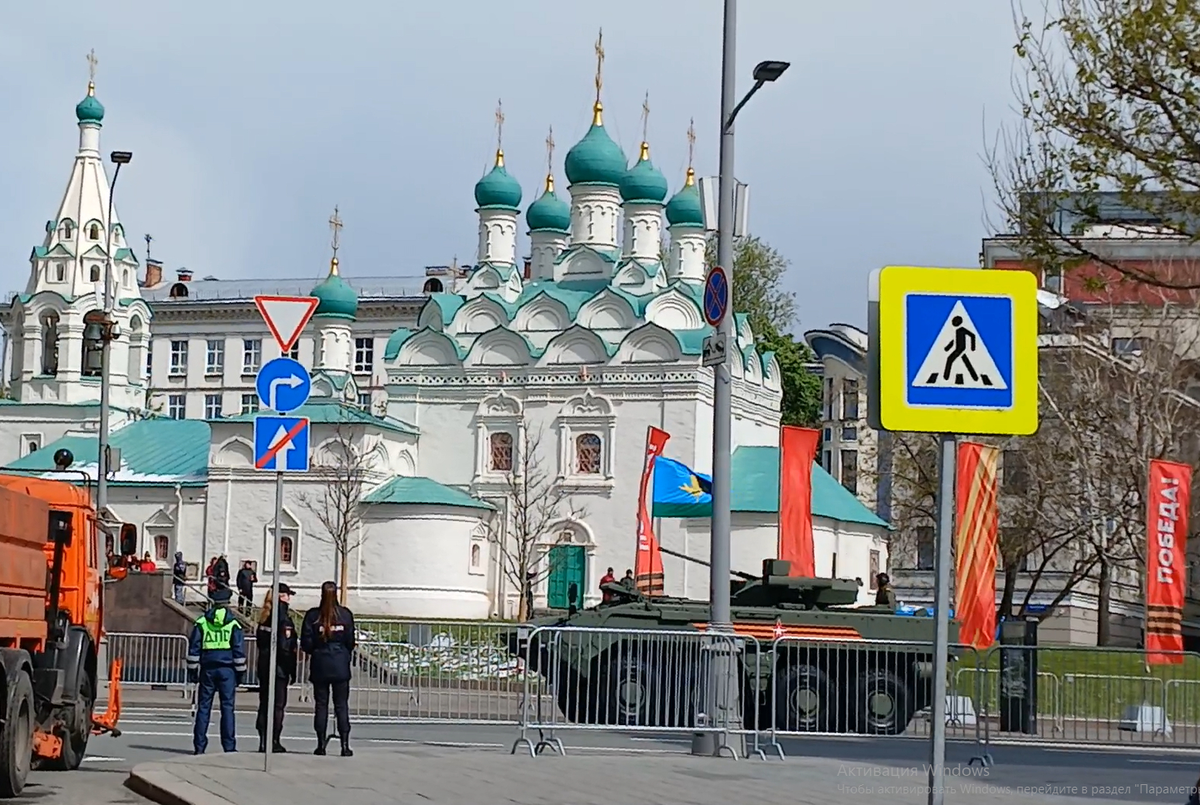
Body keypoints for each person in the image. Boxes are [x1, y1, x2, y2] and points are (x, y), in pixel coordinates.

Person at [186, 586, 246, 755]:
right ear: (227, 604)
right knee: (227, 709)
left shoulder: (202, 622)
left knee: (204, 708)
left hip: (207, 670)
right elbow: (239, 652)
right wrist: (240, 675)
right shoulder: (233, 624)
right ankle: (229, 747)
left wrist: (192, 673)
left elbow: (193, 650)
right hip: (227, 671)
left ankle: (199, 746)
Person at [301, 581, 355, 757]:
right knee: (341, 705)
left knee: (321, 705)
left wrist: (318, 650)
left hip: (320, 664)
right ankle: (345, 745)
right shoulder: (345, 615)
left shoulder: (313, 616)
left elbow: (306, 643)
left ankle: (320, 745)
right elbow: (350, 641)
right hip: (340, 664)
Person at [256, 584, 298, 753]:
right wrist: (291, 669)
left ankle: (262, 740)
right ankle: (274, 740)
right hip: (278, 668)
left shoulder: (264, 616)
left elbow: (260, 642)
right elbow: (285, 647)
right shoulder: (283, 618)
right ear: (281, 596)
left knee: (264, 703)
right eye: (288, 595)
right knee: (278, 705)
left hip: (264, 665)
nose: (290, 598)